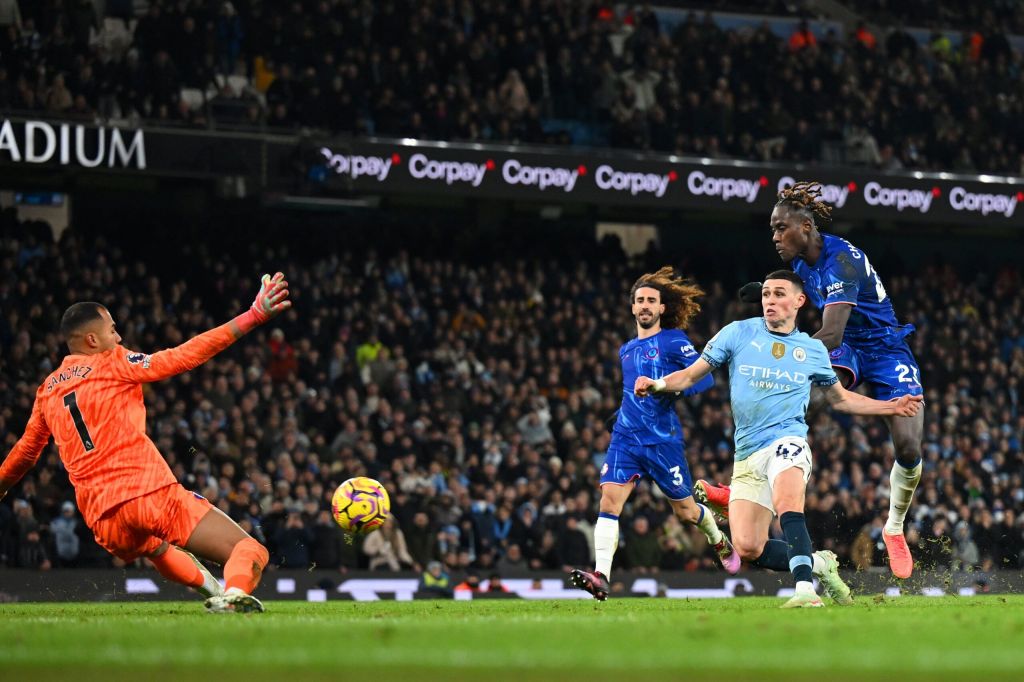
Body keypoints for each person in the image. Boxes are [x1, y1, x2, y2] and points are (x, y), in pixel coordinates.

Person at [0, 273, 291, 613]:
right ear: (93, 340)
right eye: (112, 329)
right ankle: (234, 594)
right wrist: (253, 315)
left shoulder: (47, 390)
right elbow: (184, 356)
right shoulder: (113, 361)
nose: (119, 335)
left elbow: (25, 452)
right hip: (147, 491)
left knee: (155, 548)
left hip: (102, 519)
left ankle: (215, 591)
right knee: (250, 549)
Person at [635, 271, 922, 607]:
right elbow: (688, 375)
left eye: (779, 294)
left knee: (787, 503)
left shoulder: (812, 349)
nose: (770, 301)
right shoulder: (738, 333)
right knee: (747, 547)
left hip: (788, 442)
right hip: (747, 453)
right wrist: (657, 384)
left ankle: (805, 592)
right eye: (766, 294)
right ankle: (821, 565)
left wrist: (890, 406)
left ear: (799, 301)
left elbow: (841, 399)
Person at [702, 181, 925, 578]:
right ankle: (744, 491)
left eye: (779, 228)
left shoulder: (843, 262)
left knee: (908, 445)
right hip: (846, 348)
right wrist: (762, 293)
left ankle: (893, 529)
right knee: (814, 397)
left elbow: (831, 335)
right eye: (772, 229)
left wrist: (783, 358)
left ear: (805, 226)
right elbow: (793, 299)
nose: (774, 236)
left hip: (883, 347)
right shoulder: (801, 263)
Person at [570, 267, 739, 602]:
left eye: (651, 300)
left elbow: (702, 380)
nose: (645, 305)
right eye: (640, 300)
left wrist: (663, 389)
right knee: (609, 500)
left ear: (662, 308)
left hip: (663, 441)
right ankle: (601, 575)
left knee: (687, 513)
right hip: (626, 439)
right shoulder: (626, 350)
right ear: (632, 308)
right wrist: (620, 415)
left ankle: (718, 540)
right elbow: (631, 391)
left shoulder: (674, 340)